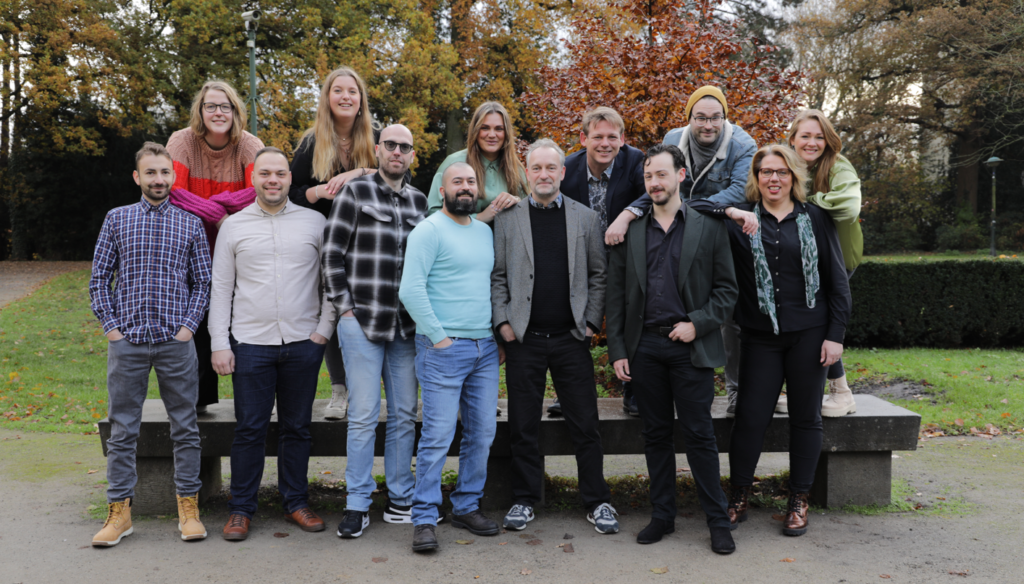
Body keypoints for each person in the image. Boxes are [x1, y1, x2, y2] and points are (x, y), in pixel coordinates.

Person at [689, 145, 851, 538]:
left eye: (781, 172)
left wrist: (835, 337)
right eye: (765, 172)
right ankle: (739, 494)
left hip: (810, 335)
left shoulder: (815, 217)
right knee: (750, 417)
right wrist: (732, 211)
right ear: (756, 177)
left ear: (794, 176)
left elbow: (837, 282)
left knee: (806, 418)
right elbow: (692, 205)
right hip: (759, 337)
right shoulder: (741, 220)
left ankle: (798, 498)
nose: (773, 179)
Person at [605, 144, 738, 553]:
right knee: (655, 435)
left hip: (690, 348)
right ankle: (662, 515)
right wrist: (618, 350)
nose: (654, 182)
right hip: (644, 346)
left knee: (700, 435)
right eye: (648, 176)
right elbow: (616, 295)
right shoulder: (632, 230)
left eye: (661, 174)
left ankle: (717, 520)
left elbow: (727, 291)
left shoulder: (708, 226)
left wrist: (697, 324)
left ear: (680, 175)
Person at [491, 139, 618, 534]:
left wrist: (591, 323)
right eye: (537, 168)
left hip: (570, 338)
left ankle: (597, 501)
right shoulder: (507, 219)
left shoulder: (586, 218)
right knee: (523, 425)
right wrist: (503, 323)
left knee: (586, 424)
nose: (543, 174)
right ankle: (524, 499)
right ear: (526, 173)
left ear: (563, 172)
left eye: (551, 168)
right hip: (523, 339)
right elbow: (497, 276)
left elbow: (599, 275)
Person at [209, 147, 336, 541]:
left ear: (289, 178)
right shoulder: (234, 226)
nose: (273, 180)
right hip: (250, 343)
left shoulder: (315, 222)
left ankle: (296, 502)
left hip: (303, 342)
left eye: (280, 173)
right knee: (250, 428)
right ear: (253, 178)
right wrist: (219, 343)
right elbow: (221, 288)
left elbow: (331, 280)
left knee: (297, 428)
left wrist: (323, 330)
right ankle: (240, 509)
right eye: (265, 173)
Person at [607, 87, 758, 418]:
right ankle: (638, 384)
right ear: (688, 118)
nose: (708, 125)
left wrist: (692, 211)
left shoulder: (744, 145)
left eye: (716, 117)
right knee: (655, 288)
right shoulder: (674, 138)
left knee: (733, 315)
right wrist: (628, 213)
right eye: (700, 117)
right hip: (676, 223)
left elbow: (739, 191)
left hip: (726, 225)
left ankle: (736, 390)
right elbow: (660, 183)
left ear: (725, 118)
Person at [88, 142, 212, 546]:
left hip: (176, 342)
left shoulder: (190, 223)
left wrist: (188, 328)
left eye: (164, 172)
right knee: (122, 430)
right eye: (151, 172)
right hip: (128, 342)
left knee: (186, 427)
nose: (159, 179)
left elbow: (203, 282)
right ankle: (119, 513)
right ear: (137, 177)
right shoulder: (117, 219)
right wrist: (112, 329)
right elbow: (99, 279)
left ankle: (188, 508)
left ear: (173, 176)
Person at [322, 125, 427, 538]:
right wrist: (345, 309)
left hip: (405, 326)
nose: (397, 152)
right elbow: (331, 254)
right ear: (379, 150)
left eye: (405, 147)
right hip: (361, 322)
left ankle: (401, 497)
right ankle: (357, 503)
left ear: (412, 155)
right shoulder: (355, 193)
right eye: (391, 145)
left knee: (404, 414)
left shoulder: (420, 202)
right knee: (363, 415)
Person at [400, 161, 501, 553]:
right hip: (442, 349)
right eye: (457, 181)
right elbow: (411, 290)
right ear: (442, 191)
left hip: (484, 348)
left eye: (471, 181)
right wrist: (439, 338)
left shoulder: (484, 232)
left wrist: (494, 337)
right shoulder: (428, 231)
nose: (465, 187)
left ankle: (466, 505)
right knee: (438, 435)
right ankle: (424, 517)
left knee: (482, 432)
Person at [288, 67, 383, 420]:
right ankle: (340, 389)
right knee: (333, 309)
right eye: (338, 90)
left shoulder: (377, 137)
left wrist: (357, 173)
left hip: (371, 240)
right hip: (326, 239)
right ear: (327, 98)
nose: (345, 96)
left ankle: (369, 388)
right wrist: (319, 191)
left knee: (366, 311)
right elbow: (291, 192)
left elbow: (398, 172)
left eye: (352, 91)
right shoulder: (311, 142)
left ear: (361, 100)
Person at [166, 80, 265, 414]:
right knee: (197, 327)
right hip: (192, 250)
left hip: (237, 250)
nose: (218, 112)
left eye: (225, 106)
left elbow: (258, 189)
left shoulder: (249, 145)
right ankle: (197, 403)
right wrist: (217, 213)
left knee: (241, 327)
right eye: (211, 106)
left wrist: (218, 205)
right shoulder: (182, 142)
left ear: (235, 111)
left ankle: (250, 403)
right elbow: (173, 190)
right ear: (200, 110)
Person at [552, 106, 647, 417]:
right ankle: (570, 394)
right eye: (597, 137)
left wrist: (626, 214)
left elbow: (654, 192)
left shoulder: (635, 161)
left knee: (632, 321)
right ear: (583, 139)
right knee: (572, 322)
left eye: (612, 137)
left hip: (626, 257)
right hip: (580, 259)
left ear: (622, 139)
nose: (605, 143)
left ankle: (634, 392)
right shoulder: (567, 169)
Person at [784, 109, 863, 417]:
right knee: (803, 319)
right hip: (805, 259)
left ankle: (841, 392)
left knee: (821, 320)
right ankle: (805, 391)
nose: (812, 143)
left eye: (819, 137)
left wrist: (807, 202)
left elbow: (849, 205)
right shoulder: (787, 165)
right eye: (805, 135)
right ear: (792, 139)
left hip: (838, 256)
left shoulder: (837, 166)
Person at [427, 101, 527, 223]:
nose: (492, 135)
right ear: (475, 130)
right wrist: (478, 218)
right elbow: (433, 212)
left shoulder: (517, 169)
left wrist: (517, 203)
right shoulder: (453, 163)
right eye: (485, 128)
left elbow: (529, 215)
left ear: (506, 133)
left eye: (499, 129)